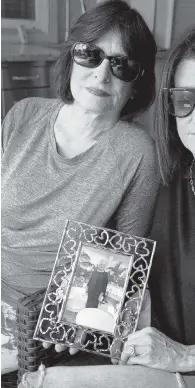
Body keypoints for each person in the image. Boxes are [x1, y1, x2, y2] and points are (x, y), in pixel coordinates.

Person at [19, 20, 195, 388]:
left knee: (46, 384)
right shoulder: (170, 173)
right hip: (151, 355)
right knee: (39, 376)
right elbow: (128, 264)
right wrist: (78, 318)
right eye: (184, 100)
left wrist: (185, 356)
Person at [1, 0, 159, 375]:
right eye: (90, 54)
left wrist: (78, 321)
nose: (102, 75)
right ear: (72, 58)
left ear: (136, 85)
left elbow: (126, 265)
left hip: (41, 327)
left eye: (122, 65)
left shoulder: (136, 153)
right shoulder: (24, 114)